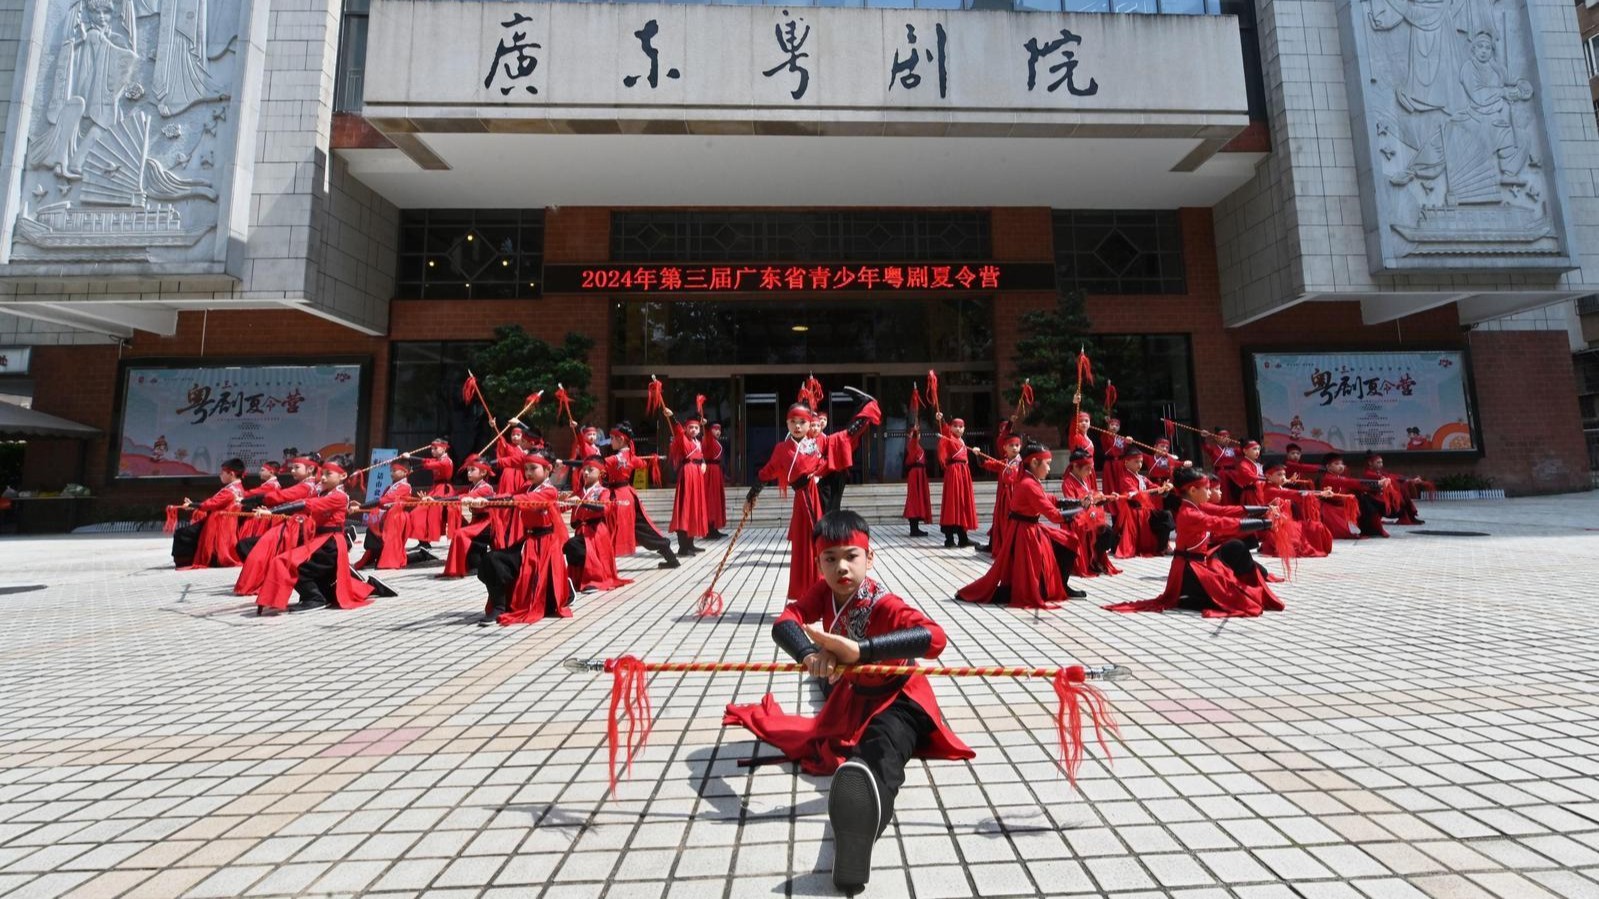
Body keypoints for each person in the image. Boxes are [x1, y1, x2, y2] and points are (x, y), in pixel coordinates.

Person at [723, 511, 974, 893]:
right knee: (830, 686)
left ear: (869, 558)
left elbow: (935, 638)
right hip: (853, 692)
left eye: (851, 556)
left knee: (880, 754)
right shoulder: (823, 592)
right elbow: (784, 621)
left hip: (897, 697)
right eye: (830, 558)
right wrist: (809, 654)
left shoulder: (885, 603)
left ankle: (861, 830)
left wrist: (861, 651)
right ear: (818, 564)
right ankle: (857, 806)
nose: (841, 566)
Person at [747, 393, 879, 599]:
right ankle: (808, 593)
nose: (797, 426)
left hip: (818, 497)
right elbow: (766, 472)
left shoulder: (818, 444)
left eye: (802, 422)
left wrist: (865, 411)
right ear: (787, 423)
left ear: (810, 424)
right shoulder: (782, 449)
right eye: (793, 422)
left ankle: (827, 590)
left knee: (824, 543)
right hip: (802, 501)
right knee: (806, 547)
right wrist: (752, 494)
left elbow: (847, 436)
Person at [1105, 467, 1284, 618]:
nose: (1209, 492)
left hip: (1197, 566)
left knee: (1237, 581)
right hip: (1189, 571)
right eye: (1206, 488)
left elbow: (1227, 511)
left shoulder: (1196, 506)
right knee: (1239, 600)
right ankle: (1187, 597)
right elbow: (1223, 524)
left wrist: (1264, 509)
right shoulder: (1189, 513)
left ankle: (1192, 596)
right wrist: (1266, 523)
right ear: (1192, 490)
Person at [957, 443, 1085, 606]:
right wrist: (1080, 510)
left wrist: (1077, 502)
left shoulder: (1030, 480)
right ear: (1034, 463)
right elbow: (1053, 515)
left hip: (1030, 529)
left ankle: (1061, 585)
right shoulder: (1028, 484)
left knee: (1069, 541)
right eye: (1047, 464)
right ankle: (1047, 588)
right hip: (1025, 534)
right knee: (1021, 586)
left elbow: (1049, 499)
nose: (1049, 469)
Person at [254, 462, 375, 616]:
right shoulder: (324, 493)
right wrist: (271, 510)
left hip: (330, 543)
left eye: (328, 474)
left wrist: (272, 511)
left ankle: (314, 598)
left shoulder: (339, 496)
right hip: (320, 540)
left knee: (289, 563)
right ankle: (320, 595)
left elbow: (308, 504)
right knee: (303, 569)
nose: (323, 478)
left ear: (343, 476)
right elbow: (300, 503)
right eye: (322, 474)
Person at [476, 449, 572, 626]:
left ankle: (561, 589)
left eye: (533, 468)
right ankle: (499, 604)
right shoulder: (527, 487)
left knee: (501, 563)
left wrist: (491, 501)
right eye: (526, 468)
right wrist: (483, 500)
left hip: (544, 546)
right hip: (527, 542)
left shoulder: (549, 491)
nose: (527, 473)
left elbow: (522, 499)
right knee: (491, 560)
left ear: (548, 468)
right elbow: (509, 495)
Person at [233, 457, 320, 595]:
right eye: (292, 467)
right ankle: (265, 576)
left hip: (296, 526)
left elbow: (280, 496)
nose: (292, 470)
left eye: (297, 467)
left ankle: (265, 577)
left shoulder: (306, 486)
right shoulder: (308, 485)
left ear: (310, 469)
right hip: (292, 523)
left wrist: (246, 498)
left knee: (256, 547)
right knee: (252, 546)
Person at [603, 421, 678, 569]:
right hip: (626, 494)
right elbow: (641, 464)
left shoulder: (617, 459)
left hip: (621, 496)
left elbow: (596, 465)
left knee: (638, 529)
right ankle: (669, 556)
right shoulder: (629, 456)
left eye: (612, 438)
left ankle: (668, 553)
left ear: (621, 439)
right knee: (640, 528)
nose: (610, 441)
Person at [565, 459, 632, 593]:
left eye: (591, 470)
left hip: (595, 531)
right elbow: (566, 505)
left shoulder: (603, 491)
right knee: (572, 548)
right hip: (581, 530)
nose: (586, 472)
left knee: (575, 547)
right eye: (584, 469)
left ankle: (594, 579)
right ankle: (579, 580)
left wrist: (582, 503)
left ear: (601, 473)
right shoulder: (579, 492)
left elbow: (604, 508)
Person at [813, 388, 880, 514]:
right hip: (824, 471)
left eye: (823, 421)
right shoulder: (813, 438)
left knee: (845, 437)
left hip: (831, 469)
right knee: (829, 505)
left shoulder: (823, 438)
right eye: (815, 423)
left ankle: (865, 407)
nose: (820, 423)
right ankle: (865, 406)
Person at [171, 458, 246, 569]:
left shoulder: (230, 491)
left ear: (231, 473)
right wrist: (194, 505)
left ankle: (184, 561)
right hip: (224, 522)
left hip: (217, 524)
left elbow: (212, 504)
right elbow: (215, 503)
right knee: (188, 532)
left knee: (182, 533)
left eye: (222, 473)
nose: (220, 475)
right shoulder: (238, 488)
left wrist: (193, 505)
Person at [1105, 448, 1175, 558]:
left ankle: (1162, 546)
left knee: (1166, 516)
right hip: (1134, 513)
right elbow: (1137, 494)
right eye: (1136, 461)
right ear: (1126, 462)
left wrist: (1165, 487)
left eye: (1141, 461)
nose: (1140, 464)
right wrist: (1157, 490)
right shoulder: (1125, 478)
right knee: (1164, 517)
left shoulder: (1142, 478)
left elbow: (1153, 486)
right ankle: (1161, 547)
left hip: (1145, 511)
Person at [1059, 448, 1119, 577]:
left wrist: (1107, 498)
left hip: (1089, 517)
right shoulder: (1068, 483)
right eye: (1087, 468)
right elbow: (1072, 505)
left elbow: (1092, 499)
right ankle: (1092, 560)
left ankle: (1096, 558)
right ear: (1075, 466)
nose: (1090, 472)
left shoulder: (1084, 480)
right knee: (1101, 530)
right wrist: (1089, 501)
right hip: (1076, 520)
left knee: (1107, 531)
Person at [661, 404, 709, 558]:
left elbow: (700, 456)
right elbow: (677, 428)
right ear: (686, 429)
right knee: (685, 508)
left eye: (696, 427)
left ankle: (690, 544)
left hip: (697, 475)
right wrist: (672, 416)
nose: (693, 430)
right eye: (691, 428)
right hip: (688, 474)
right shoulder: (682, 438)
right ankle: (683, 547)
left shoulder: (698, 442)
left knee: (694, 508)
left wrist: (703, 463)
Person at [352, 459, 417, 570]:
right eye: (391, 471)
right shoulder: (391, 486)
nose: (391, 473)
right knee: (374, 535)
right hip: (388, 516)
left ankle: (387, 561)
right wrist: (361, 506)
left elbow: (384, 501)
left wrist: (361, 507)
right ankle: (377, 557)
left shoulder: (404, 487)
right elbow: (382, 502)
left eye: (395, 471)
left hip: (396, 518)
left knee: (388, 540)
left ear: (405, 472)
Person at [442, 458, 500, 578]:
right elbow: (454, 495)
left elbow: (467, 496)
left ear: (483, 472)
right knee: (461, 533)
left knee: (460, 533)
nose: (468, 473)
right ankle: (468, 565)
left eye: (472, 470)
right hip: (478, 521)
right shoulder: (471, 487)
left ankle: (468, 566)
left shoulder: (485, 488)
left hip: (487, 522)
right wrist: (434, 499)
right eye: (468, 470)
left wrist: (458, 498)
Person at [1260, 464, 1334, 559]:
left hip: (1290, 524)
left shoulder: (1280, 488)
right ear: (1268, 476)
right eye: (1279, 475)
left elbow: (1296, 495)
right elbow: (1293, 494)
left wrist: (1320, 494)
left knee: (1317, 527)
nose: (1283, 477)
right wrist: (1321, 493)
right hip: (1279, 529)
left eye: (1284, 475)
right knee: (1303, 538)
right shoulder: (1270, 490)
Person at [974, 420, 1022, 555]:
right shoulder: (1004, 462)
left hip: (1016, 498)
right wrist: (979, 455)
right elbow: (988, 464)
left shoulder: (1023, 463)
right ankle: (1002, 547)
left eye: (1017, 445)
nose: (1014, 448)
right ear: (1005, 447)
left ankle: (1013, 548)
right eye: (1011, 445)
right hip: (1004, 498)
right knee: (1001, 521)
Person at [1317, 453, 1391, 538]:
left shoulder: (1338, 477)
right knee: (1365, 501)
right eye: (1336, 464)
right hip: (1332, 507)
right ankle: (1371, 529)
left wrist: (1376, 486)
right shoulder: (1329, 478)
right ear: (1328, 467)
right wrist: (1377, 483)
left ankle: (1371, 528)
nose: (1341, 466)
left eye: (1342, 464)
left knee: (1365, 498)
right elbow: (1350, 482)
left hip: (1342, 504)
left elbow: (1351, 483)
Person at [934, 412, 977, 548]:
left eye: (961, 426)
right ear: (951, 428)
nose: (958, 429)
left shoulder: (962, 441)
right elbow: (945, 430)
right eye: (955, 426)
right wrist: (942, 420)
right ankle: (949, 538)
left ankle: (963, 537)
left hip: (964, 473)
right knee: (953, 503)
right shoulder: (949, 437)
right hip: (954, 473)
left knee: (963, 504)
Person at [406, 439, 455, 546]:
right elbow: (429, 462)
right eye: (431, 449)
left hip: (443, 491)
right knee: (417, 513)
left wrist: (410, 458)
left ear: (444, 448)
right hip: (435, 489)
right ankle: (423, 541)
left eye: (435, 448)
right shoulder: (438, 460)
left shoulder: (446, 461)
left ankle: (425, 541)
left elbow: (428, 464)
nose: (432, 451)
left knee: (425, 513)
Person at [1363, 451, 1425, 525]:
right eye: (1378, 462)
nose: (1381, 465)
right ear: (1370, 463)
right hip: (1376, 500)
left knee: (1402, 490)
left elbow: (1395, 476)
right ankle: (1406, 516)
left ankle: (1410, 517)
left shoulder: (1380, 472)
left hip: (1384, 497)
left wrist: (1411, 480)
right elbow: (1389, 478)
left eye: (1381, 462)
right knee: (1400, 494)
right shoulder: (1368, 474)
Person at [237, 461, 282, 542]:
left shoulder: (271, 485)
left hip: (263, 517)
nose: (259, 473)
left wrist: (240, 495)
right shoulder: (273, 484)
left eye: (262, 470)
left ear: (271, 472)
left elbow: (253, 493)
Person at [902, 421, 932, 537]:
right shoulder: (912, 444)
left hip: (920, 475)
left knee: (918, 500)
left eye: (918, 433)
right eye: (915, 434)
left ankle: (915, 528)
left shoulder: (916, 445)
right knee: (914, 500)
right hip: (915, 475)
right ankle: (913, 529)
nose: (917, 435)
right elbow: (914, 437)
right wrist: (915, 430)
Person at [703, 421, 728, 539]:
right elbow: (705, 433)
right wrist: (705, 425)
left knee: (716, 499)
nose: (718, 431)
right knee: (711, 499)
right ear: (709, 430)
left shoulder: (716, 442)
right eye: (715, 429)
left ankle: (715, 528)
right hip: (710, 472)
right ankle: (709, 529)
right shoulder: (707, 440)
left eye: (719, 429)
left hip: (716, 471)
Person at [1225, 440, 1266, 506]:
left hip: (1260, 491)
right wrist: (1266, 478)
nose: (1257, 451)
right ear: (1245, 451)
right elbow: (1250, 476)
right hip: (1251, 494)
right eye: (1254, 449)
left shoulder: (1257, 464)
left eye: (1259, 449)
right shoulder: (1243, 464)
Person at [1098, 417, 1127, 486]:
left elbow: (1125, 449)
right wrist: (1107, 422)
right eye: (1112, 425)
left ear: (1119, 428)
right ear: (1108, 426)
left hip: (1120, 463)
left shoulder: (1122, 438)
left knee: (1120, 482)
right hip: (1109, 463)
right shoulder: (1106, 436)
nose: (1114, 427)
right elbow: (1105, 435)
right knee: (1110, 483)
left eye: (1117, 425)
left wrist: (1129, 441)